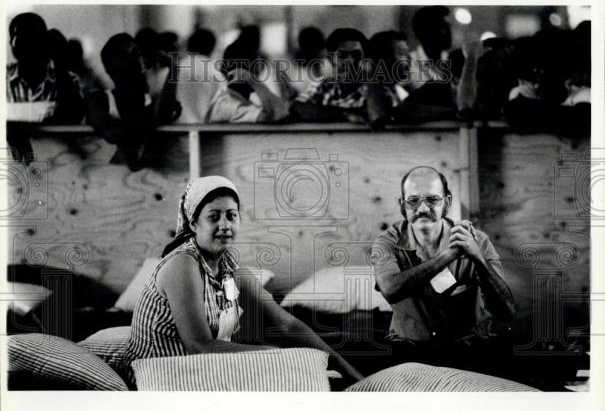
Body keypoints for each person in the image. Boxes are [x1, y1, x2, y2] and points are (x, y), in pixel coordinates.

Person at [124, 176, 363, 388]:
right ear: (193, 223)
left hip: (196, 369)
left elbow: (287, 325)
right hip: (159, 375)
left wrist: (353, 375)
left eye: (231, 215)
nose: (225, 226)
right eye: (213, 217)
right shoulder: (182, 264)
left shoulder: (229, 267)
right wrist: (279, 356)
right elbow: (200, 346)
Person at [371, 166, 516, 377]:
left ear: (447, 203)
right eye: (413, 200)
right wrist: (448, 255)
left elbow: (506, 312)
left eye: (432, 199)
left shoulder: (475, 240)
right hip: (409, 349)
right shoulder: (387, 243)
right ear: (402, 205)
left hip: (469, 347)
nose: (422, 208)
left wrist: (478, 259)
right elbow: (391, 289)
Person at [85, 33, 180, 170]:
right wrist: (152, 114)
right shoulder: (98, 100)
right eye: (135, 53)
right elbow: (111, 132)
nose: (141, 59)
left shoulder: (150, 101)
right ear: (116, 63)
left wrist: (174, 68)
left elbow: (161, 113)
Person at [6, 13, 84, 162]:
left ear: (46, 44)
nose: (29, 47)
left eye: (35, 40)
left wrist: (60, 62)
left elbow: (74, 116)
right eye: (22, 40)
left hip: (57, 165)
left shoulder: (68, 79)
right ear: (12, 46)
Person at [290, 28, 384, 124]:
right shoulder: (323, 86)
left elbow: (378, 115)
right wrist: (344, 115)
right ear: (331, 60)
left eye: (356, 54)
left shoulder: (378, 89)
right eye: (342, 55)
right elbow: (298, 108)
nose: (350, 61)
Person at [205, 40, 288, 123]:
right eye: (259, 66)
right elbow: (279, 114)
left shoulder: (231, 101)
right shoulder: (227, 106)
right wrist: (255, 83)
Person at [407, 6, 456, 108]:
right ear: (424, 32)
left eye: (448, 27)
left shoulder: (454, 61)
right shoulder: (408, 64)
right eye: (442, 27)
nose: (448, 33)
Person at [176, 28, 220, 123]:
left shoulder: (174, 69)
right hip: (205, 130)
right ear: (212, 47)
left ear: (188, 46)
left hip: (175, 130)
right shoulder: (215, 72)